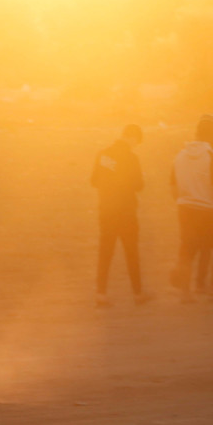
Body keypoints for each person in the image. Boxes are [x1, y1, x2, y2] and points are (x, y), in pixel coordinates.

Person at [169, 114, 213, 302]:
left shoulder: (180, 155)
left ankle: (185, 293)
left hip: (185, 208)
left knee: (187, 249)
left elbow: (173, 187)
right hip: (207, 210)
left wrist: (185, 199)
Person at [90, 123, 151, 307]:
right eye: (137, 142)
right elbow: (139, 185)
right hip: (126, 212)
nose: (136, 145)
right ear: (132, 138)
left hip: (107, 210)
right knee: (131, 253)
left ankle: (101, 294)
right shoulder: (131, 158)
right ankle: (138, 294)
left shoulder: (103, 154)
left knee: (105, 252)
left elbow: (93, 181)